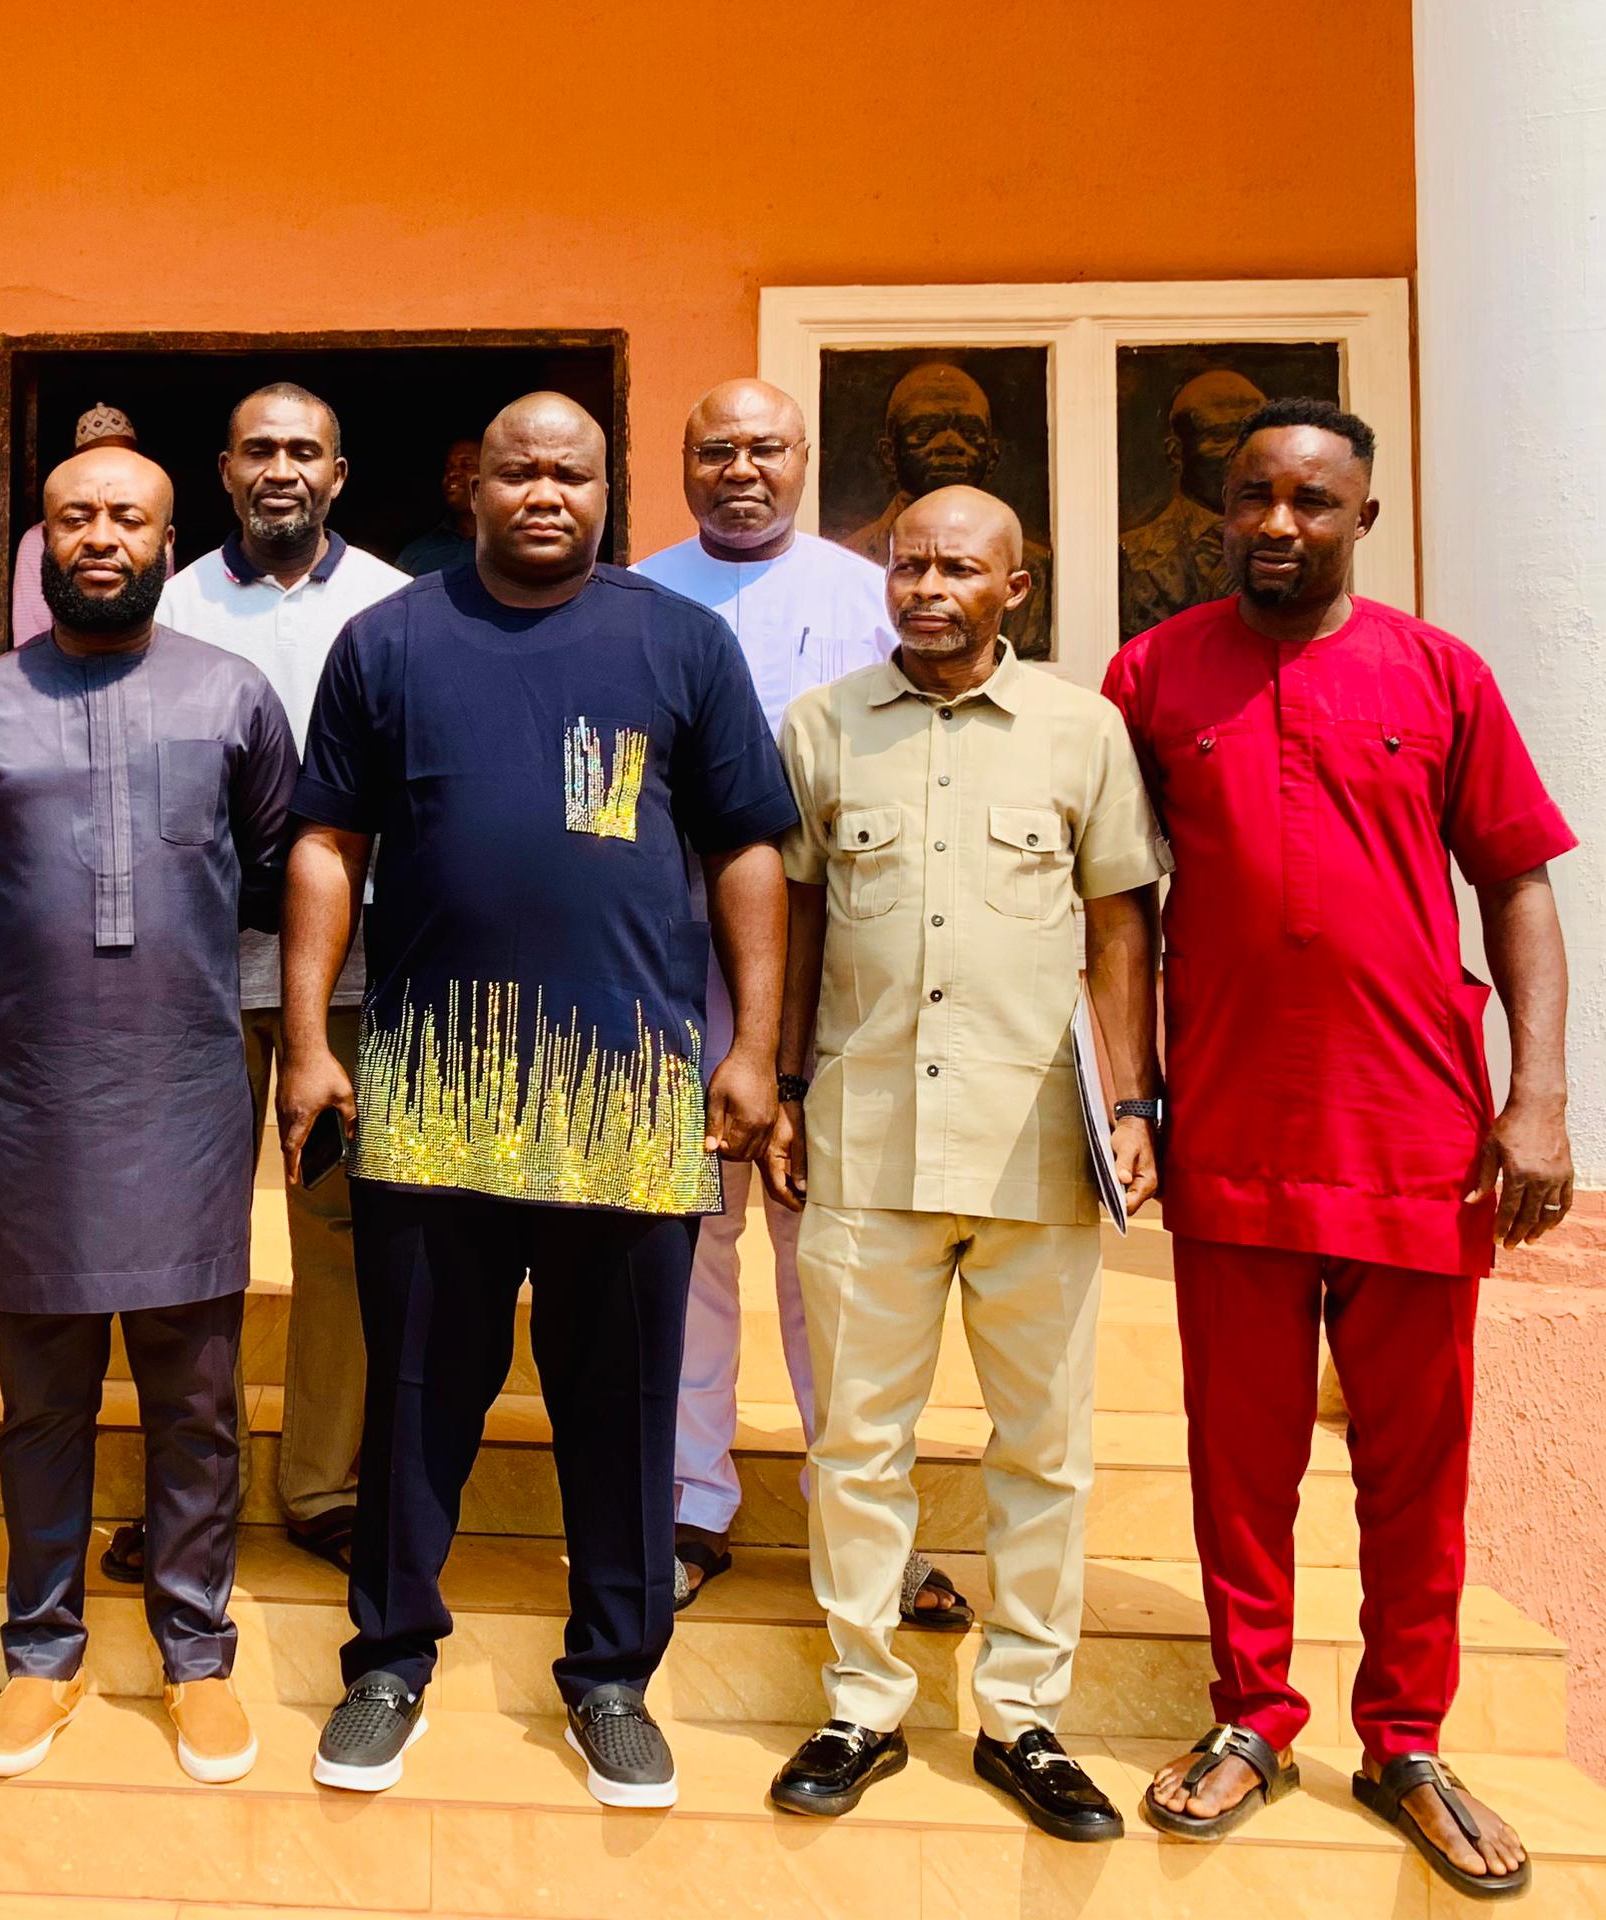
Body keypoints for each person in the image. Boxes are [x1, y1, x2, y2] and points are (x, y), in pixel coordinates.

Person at [284, 392, 795, 1810]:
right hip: (432, 1086)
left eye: (572, 472)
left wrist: (753, 1048)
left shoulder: (676, 643)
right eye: (518, 471)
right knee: (416, 1398)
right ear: (475, 488)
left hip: (627, 1095)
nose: (545, 493)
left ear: (607, 487)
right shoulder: (388, 641)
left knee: (621, 1406)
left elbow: (748, 847)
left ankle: (614, 1679)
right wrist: (309, 1040)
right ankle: (388, 1662)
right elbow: (327, 842)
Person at [1109, 399, 1570, 1900]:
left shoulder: (1440, 675)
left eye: (1312, 499)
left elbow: (1517, 882)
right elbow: (1113, 903)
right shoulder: (1152, 674)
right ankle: (1252, 1715)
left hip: (1415, 1129)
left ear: (1364, 516)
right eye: (1253, 495)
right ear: (1219, 508)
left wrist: (1539, 1098)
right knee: (1238, 1456)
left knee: (1413, 1461)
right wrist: (1130, 1097)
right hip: (1232, 1123)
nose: (1278, 523)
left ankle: (1406, 1739)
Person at [760, 488, 1166, 1843]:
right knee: (855, 1444)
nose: (926, 587)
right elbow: (796, 916)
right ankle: (861, 1704)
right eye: (908, 565)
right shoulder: (823, 726)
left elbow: (1120, 924)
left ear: (1014, 590)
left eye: (956, 569)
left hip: (1035, 1146)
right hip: (865, 1142)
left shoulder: (1079, 729)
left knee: (1043, 1449)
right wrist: (786, 1086)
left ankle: (1023, 1715)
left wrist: (1132, 1105)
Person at [0, 445, 297, 1787]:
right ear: (43, 544)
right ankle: (41, 1651)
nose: (102, 537)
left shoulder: (232, 696)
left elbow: (277, 877)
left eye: (129, 517)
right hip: (28, 1103)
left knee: (197, 1403)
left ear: (171, 542)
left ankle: (196, 1655)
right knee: (43, 1405)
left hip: (186, 1094)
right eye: (76, 517)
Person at [633, 376, 967, 1629]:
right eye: (714, 448)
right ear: (682, 462)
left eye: (764, 448)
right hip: (674, 967)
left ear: (803, 457)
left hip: (841, 973)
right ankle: (686, 1503)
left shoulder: (867, 598)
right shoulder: (636, 598)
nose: (740, 470)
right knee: (690, 1240)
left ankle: (865, 1524)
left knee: (835, 1251)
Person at [142, 382, 411, 1574]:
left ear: (338, 475)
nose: (282, 469)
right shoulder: (168, 604)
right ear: (226, 470)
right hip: (193, 969)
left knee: (338, 1233)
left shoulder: (394, 607)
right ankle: (185, 1492)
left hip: (347, 975)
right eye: (259, 450)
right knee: (181, 1234)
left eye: (305, 450)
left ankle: (321, 1483)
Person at [841, 361, 1054, 660]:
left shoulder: (1037, 566)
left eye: (968, 432)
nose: (950, 444)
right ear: (889, 454)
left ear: (992, 455)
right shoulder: (849, 559)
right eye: (926, 431)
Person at [1117, 368, 1267, 638]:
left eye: (1251, 436)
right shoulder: (1131, 556)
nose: (1240, 452)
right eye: (1220, 436)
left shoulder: (1294, 540)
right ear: (1176, 454)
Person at [9, 403, 137, 648]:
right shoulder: (37, 541)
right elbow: (31, 634)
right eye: (97, 461)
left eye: (122, 460)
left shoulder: (149, 537)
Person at [393, 436, 480, 574]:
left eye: (467, 465)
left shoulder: (508, 548)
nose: (453, 473)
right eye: (448, 468)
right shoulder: (416, 554)